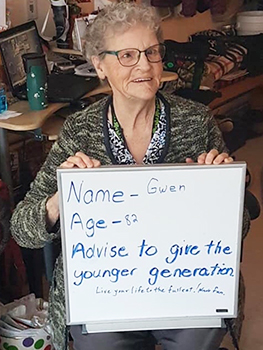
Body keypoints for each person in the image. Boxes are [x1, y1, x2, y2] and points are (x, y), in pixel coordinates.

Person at [11, 2, 250, 350]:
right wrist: (59, 201)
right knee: (103, 342)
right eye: (126, 55)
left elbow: (238, 228)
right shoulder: (80, 131)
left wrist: (223, 196)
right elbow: (22, 230)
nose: (144, 65)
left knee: (195, 340)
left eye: (151, 52)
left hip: (185, 287)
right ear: (100, 66)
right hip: (105, 292)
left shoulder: (195, 121)